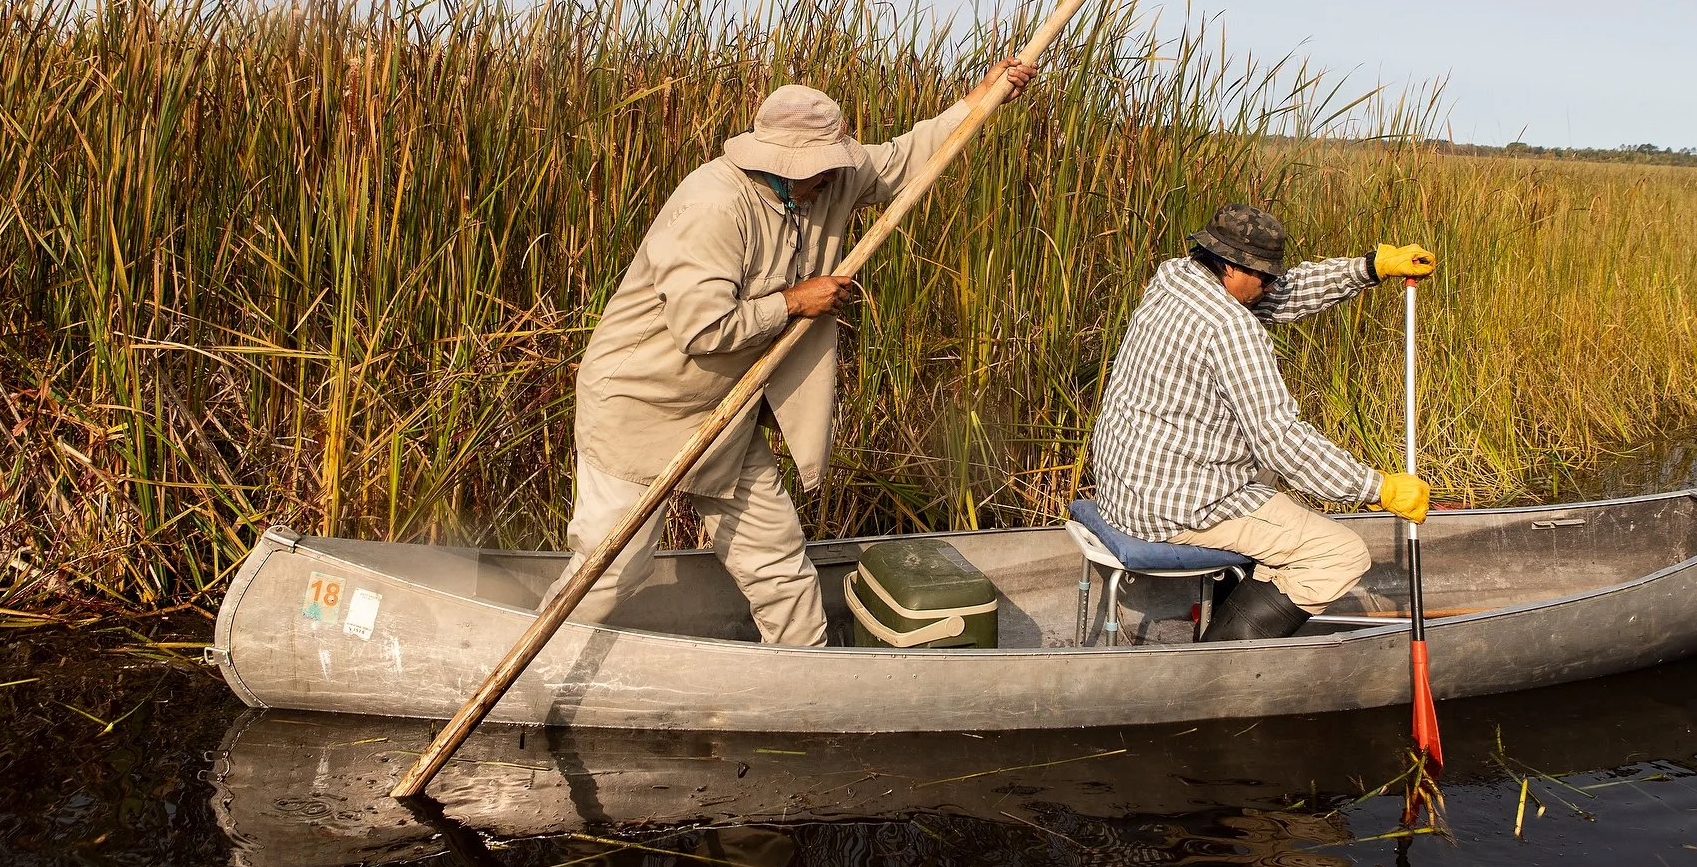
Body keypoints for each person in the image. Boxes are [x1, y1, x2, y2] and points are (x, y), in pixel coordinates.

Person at [560, 59, 1037, 645]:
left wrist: (982, 99)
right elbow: (703, 330)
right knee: (612, 571)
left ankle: (807, 680)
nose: (826, 176)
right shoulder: (713, 206)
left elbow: (908, 158)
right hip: (641, 403)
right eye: (813, 167)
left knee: (779, 563)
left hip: (725, 411)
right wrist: (792, 303)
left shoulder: (834, 178)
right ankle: (545, 665)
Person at [1089, 203, 1437, 640]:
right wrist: (1377, 488)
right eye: (1265, 275)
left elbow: (1283, 294)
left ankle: (1239, 592)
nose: (1272, 285)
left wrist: (1367, 268)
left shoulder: (1173, 277)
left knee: (1267, 475)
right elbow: (1283, 441)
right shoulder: (1230, 327)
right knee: (1340, 553)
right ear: (1231, 268)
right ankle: (1220, 658)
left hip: (1126, 488)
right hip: (1175, 509)